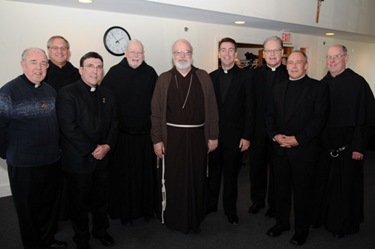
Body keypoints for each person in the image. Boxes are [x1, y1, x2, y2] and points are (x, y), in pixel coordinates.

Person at [0, 48, 66, 249]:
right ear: (23, 64)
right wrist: (10, 155)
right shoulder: (8, 92)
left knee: (49, 207)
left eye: (43, 63)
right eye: (33, 62)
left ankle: (48, 240)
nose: (39, 67)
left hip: (52, 161)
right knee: (28, 211)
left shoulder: (50, 91)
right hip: (24, 165)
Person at [151, 39, 219, 233]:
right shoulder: (163, 79)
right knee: (174, 179)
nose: (182, 56)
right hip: (171, 138)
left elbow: (213, 109)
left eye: (186, 52)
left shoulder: (203, 77)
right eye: (178, 52)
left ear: (192, 54)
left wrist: (213, 135)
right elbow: (155, 112)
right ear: (172, 56)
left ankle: (195, 216)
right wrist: (157, 139)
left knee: (196, 177)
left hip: (198, 137)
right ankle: (173, 217)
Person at [265, 51, 329, 245]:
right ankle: (282, 223)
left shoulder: (319, 88)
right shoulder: (278, 88)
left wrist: (298, 140)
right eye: (290, 63)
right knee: (281, 191)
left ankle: (302, 230)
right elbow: (269, 116)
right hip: (281, 150)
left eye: (298, 62)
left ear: (306, 65)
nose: (293, 66)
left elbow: (319, 120)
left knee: (303, 194)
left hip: (304, 151)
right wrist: (275, 136)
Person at [311, 44, 375, 237]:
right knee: (323, 185)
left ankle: (343, 225)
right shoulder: (322, 83)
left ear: (346, 58)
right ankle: (321, 218)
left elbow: (366, 119)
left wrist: (359, 147)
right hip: (324, 147)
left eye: (336, 56)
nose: (332, 61)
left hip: (348, 148)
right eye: (329, 57)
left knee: (345, 188)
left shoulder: (358, 83)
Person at [56, 52, 118, 249]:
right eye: (91, 66)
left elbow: (114, 123)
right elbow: (68, 127)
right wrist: (93, 149)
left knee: (101, 200)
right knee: (79, 204)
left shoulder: (107, 94)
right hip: (78, 159)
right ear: (81, 70)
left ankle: (101, 230)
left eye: (99, 67)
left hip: (103, 158)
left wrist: (107, 146)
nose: (95, 70)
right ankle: (81, 239)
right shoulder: (67, 93)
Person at [101, 39, 158, 224]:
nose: (135, 56)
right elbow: (105, 107)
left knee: (145, 177)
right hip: (122, 138)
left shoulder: (150, 73)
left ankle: (145, 209)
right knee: (123, 178)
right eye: (132, 52)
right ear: (125, 52)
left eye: (139, 53)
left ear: (144, 54)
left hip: (145, 138)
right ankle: (124, 212)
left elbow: (157, 106)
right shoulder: (113, 73)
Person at [206, 37, 254, 224]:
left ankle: (230, 209)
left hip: (236, 137)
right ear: (218, 54)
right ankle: (210, 205)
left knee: (231, 176)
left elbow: (250, 109)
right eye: (223, 50)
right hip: (214, 137)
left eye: (230, 50)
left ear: (235, 54)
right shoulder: (210, 77)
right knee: (213, 173)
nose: (227, 53)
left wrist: (247, 135)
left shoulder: (246, 77)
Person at [248, 36, 289, 218]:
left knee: (278, 172)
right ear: (263, 54)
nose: (272, 54)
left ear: (282, 52)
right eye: (268, 51)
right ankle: (257, 201)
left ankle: (274, 205)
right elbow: (249, 106)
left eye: (276, 50)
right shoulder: (254, 75)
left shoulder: (290, 73)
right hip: (258, 132)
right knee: (256, 169)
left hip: (280, 133)